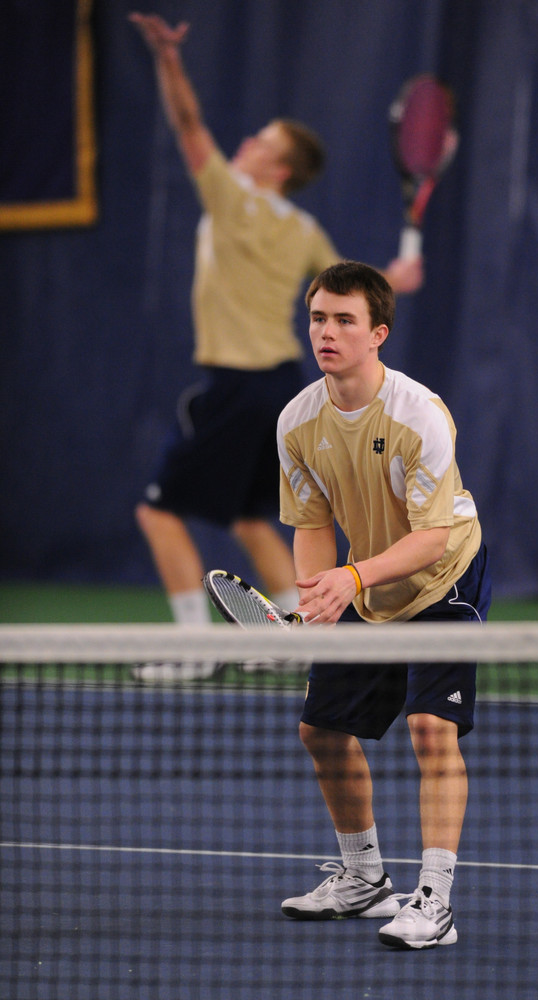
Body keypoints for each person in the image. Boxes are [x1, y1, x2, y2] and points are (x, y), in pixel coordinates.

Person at [128, 14, 423, 677]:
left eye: (261, 140)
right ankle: (298, 641)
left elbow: (187, 127)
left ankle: (194, 654)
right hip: (283, 388)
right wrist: (391, 279)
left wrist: (169, 60)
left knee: (158, 514)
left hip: (237, 386)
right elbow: (351, 290)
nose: (246, 143)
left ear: (279, 167)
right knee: (252, 516)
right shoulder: (304, 227)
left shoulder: (235, 200)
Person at [276, 260, 491, 950]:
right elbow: (310, 524)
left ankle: (434, 902)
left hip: (442, 577)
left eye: (343, 320)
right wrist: (317, 594)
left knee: (430, 729)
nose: (327, 332)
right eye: (318, 318)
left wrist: (351, 579)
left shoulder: (417, 414)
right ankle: (365, 878)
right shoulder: (298, 421)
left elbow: (431, 538)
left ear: (378, 334)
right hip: (363, 585)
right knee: (320, 731)